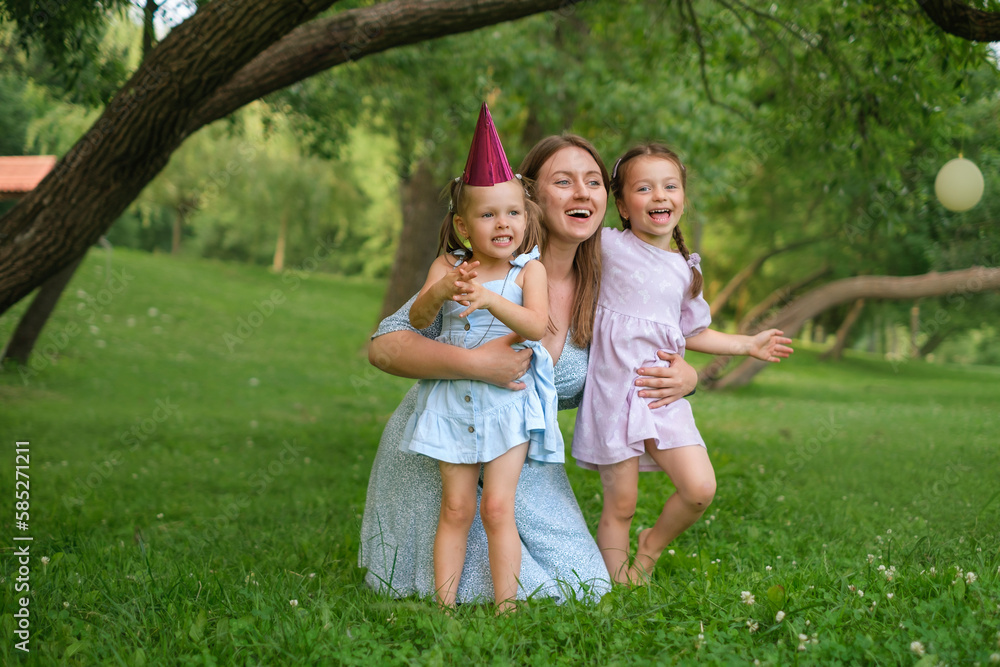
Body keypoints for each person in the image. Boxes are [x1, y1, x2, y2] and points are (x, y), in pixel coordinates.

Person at [360, 133, 699, 604]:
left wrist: (689, 378)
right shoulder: (478, 263)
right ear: (530, 196)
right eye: (564, 181)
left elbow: (653, 353)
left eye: (594, 181)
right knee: (458, 565)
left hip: (522, 455)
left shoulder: (609, 288)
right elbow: (385, 348)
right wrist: (476, 364)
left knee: (585, 584)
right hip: (443, 439)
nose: (582, 193)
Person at [572, 143, 794, 584]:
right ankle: (616, 586)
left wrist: (748, 343)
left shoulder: (685, 270)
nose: (660, 196)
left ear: (683, 198)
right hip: (614, 393)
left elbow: (695, 332)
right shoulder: (607, 245)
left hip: (662, 392)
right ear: (621, 204)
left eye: (670, 186)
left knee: (699, 488)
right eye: (644, 188)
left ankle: (650, 545)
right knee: (621, 504)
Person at [400, 103, 562, 609]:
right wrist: (442, 289)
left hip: (508, 405)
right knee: (455, 507)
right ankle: (443, 607)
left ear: (526, 218)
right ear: (464, 225)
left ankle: (505, 604)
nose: (503, 223)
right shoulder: (448, 266)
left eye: (513, 212)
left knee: (497, 507)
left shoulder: (527, 272)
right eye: (488, 214)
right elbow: (419, 321)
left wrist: (491, 298)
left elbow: (537, 325)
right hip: (452, 402)